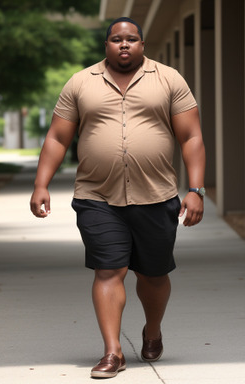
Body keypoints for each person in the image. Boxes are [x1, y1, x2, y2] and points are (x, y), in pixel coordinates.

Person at [30, 17, 206, 379]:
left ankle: (152, 330)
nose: (124, 45)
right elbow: (58, 138)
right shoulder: (80, 83)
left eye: (131, 39)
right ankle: (113, 352)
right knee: (109, 270)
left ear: (142, 44)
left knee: (154, 274)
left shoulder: (169, 79)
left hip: (156, 196)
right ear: (106, 44)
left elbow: (191, 137)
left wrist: (195, 190)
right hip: (97, 195)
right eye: (116, 39)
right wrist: (40, 183)